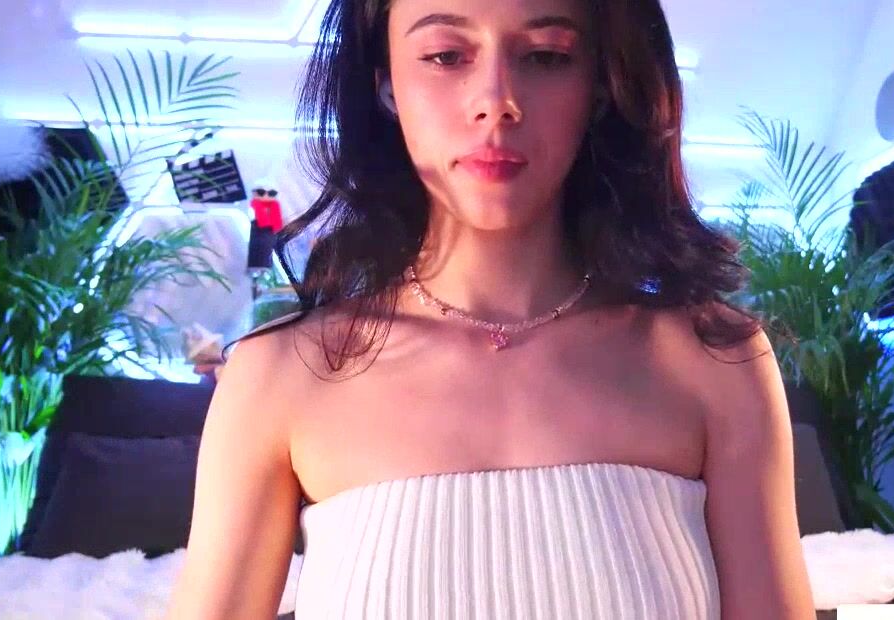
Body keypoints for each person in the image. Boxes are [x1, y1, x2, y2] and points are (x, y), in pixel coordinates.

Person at [166, 0, 816, 618]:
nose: (497, 101)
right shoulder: (279, 377)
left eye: (547, 55)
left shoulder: (714, 361)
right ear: (385, 84)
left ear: (598, 87)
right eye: (446, 56)